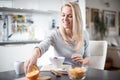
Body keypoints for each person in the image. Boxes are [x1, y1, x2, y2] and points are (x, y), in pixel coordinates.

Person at [24, 2, 90, 73]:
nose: (65, 19)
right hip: (60, 74)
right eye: (63, 15)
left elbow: (88, 57)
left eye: (70, 16)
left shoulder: (84, 34)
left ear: (77, 18)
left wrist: (82, 61)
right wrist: (34, 55)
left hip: (77, 74)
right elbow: (42, 46)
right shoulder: (55, 34)